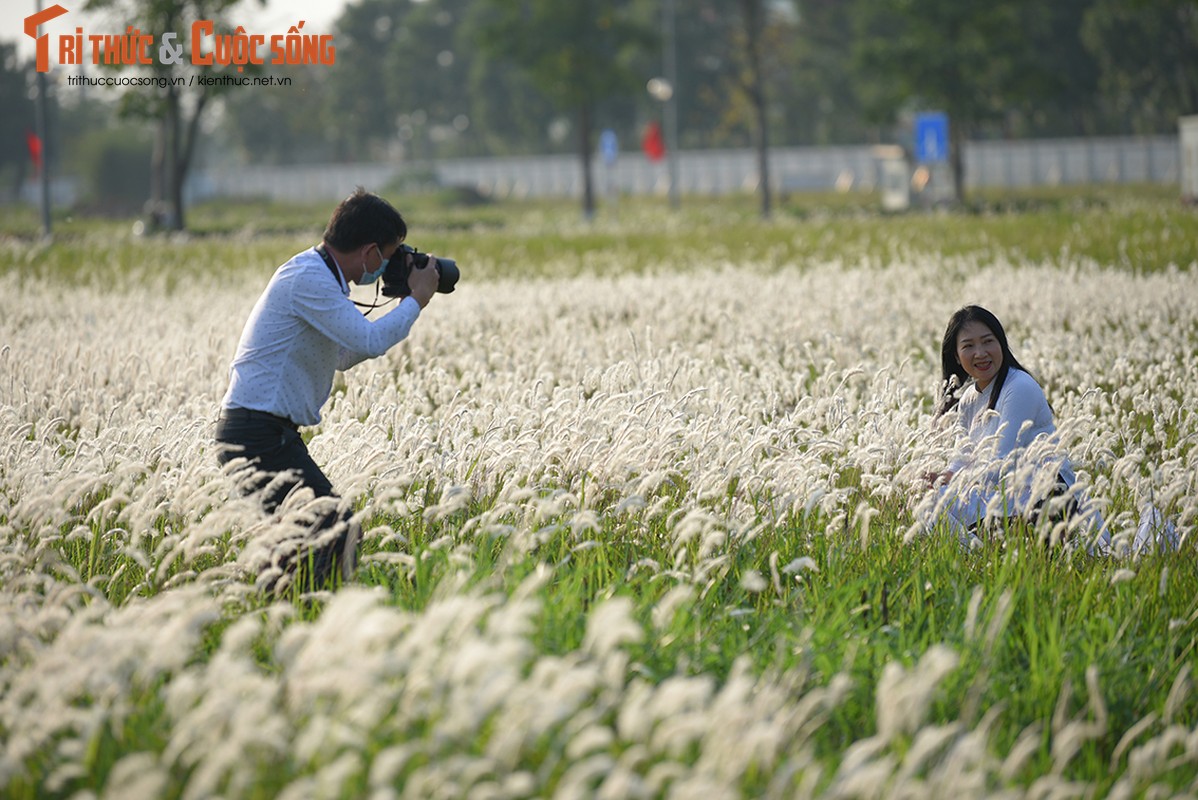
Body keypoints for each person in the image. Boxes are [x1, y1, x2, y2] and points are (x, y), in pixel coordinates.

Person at [215, 188, 440, 594]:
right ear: (371, 251)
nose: (385, 267)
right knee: (333, 528)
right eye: (388, 256)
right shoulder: (309, 279)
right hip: (256, 434)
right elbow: (369, 342)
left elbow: (344, 353)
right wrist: (417, 300)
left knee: (309, 538)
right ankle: (313, 615)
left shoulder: (320, 277)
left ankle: (292, 614)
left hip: (268, 433)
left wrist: (403, 302)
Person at [919, 305, 1109, 550]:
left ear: (1001, 343)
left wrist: (953, 484)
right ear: (956, 356)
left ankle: (977, 554)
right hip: (1005, 499)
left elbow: (1000, 461)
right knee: (926, 501)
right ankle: (976, 554)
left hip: (1048, 503)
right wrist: (943, 477)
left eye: (988, 342)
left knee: (938, 505)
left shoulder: (1019, 386)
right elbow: (961, 458)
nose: (980, 353)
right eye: (968, 346)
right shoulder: (968, 399)